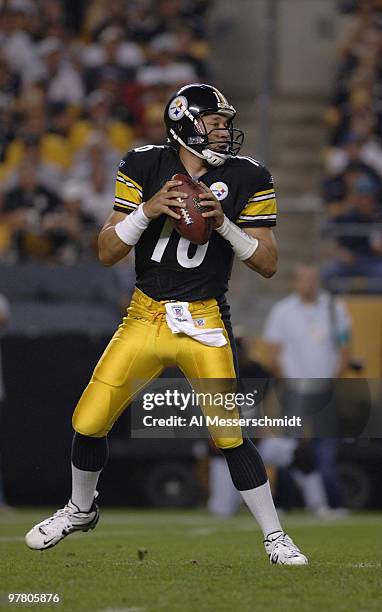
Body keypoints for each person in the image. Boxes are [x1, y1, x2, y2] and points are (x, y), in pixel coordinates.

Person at [25, 83, 307, 565]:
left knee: (229, 433)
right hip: (146, 312)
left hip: (204, 318)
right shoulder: (143, 164)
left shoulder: (249, 176)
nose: (224, 131)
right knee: (89, 419)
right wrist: (147, 210)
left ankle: (276, 538)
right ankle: (79, 507)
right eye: (214, 122)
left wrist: (224, 226)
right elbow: (107, 250)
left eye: (224, 122)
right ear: (183, 124)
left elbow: (268, 263)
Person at [263, 264, 352, 511]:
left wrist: (333, 380)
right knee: (289, 449)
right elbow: (273, 354)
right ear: (295, 282)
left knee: (326, 448)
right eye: (304, 280)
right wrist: (288, 382)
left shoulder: (334, 308)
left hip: (324, 390)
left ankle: (332, 504)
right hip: (295, 391)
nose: (309, 285)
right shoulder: (282, 312)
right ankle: (285, 502)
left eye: (313, 279)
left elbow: (345, 349)